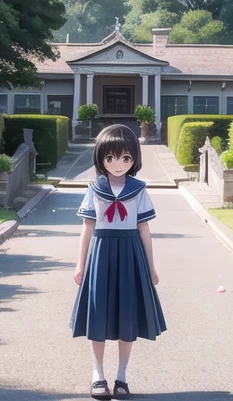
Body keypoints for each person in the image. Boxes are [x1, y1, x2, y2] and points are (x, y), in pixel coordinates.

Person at [70, 124, 167, 399]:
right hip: (100, 255)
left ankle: (122, 376)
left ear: (134, 159)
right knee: (98, 317)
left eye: (126, 158)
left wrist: (151, 267)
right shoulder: (94, 188)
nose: (118, 164)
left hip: (130, 255)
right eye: (110, 158)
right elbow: (87, 227)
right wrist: (80, 264)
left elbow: (144, 229)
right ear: (101, 157)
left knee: (127, 317)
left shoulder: (138, 189)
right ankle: (97, 375)